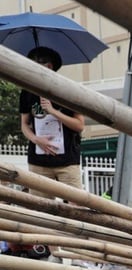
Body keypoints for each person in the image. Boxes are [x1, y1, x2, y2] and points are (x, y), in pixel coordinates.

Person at [19, 47, 84, 199]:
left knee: (77, 207)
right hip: (39, 162)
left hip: (67, 162)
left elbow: (79, 125)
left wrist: (53, 111)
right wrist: (36, 139)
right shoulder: (27, 91)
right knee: (41, 209)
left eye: (37, 64)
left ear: (49, 66)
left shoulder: (68, 90)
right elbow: (24, 124)